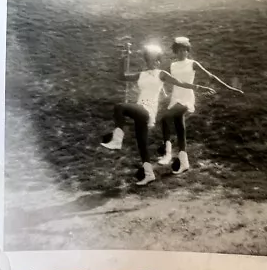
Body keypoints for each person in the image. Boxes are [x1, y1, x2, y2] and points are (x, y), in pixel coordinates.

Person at [101, 43, 215, 186]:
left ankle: (117, 140)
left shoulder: (161, 73)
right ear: (147, 61)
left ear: (159, 61)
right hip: (139, 108)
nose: (153, 62)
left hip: (148, 110)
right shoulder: (141, 75)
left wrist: (198, 87)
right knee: (142, 144)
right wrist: (123, 59)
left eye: (156, 60)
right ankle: (149, 174)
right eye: (150, 59)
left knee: (120, 107)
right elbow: (122, 76)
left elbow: (180, 82)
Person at [158, 37, 244, 174]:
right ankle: (184, 162)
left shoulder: (193, 63)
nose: (182, 53)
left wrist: (230, 88)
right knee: (179, 128)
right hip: (175, 98)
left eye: (184, 50)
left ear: (188, 51)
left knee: (164, 119)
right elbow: (161, 78)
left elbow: (211, 76)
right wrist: (163, 92)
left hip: (186, 98)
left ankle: (167, 154)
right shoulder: (172, 65)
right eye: (178, 50)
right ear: (175, 52)